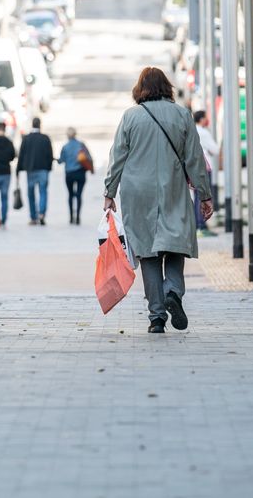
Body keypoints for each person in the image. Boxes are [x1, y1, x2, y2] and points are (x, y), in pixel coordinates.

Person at [104, 68, 212, 334]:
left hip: (137, 193)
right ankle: (173, 291)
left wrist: (109, 192)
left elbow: (117, 157)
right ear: (167, 87)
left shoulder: (130, 117)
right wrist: (204, 194)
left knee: (148, 252)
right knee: (176, 244)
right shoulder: (182, 115)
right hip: (172, 188)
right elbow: (195, 158)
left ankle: (156, 317)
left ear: (140, 89)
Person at [17, 117, 54, 225]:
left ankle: (33, 217)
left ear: (32, 125)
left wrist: (18, 170)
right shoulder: (45, 138)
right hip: (43, 170)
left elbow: (21, 155)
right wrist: (49, 167)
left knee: (31, 194)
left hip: (31, 170)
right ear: (40, 125)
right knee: (43, 192)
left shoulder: (26, 138)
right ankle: (41, 214)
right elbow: (50, 154)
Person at [193, 110, 220, 237]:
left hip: (193, 168)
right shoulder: (204, 132)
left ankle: (197, 225)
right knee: (203, 196)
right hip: (205, 166)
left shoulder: (192, 131)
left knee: (196, 196)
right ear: (202, 119)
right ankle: (202, 225)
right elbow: (215, 149)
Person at [58, 127, 91, 225]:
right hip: (80, 173)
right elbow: (88, 157)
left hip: (69, 174)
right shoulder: (81, 145)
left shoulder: (65, 146)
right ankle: (78, 217)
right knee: (79, 195)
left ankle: (71, 217)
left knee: (70, 195)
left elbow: (61, 161)